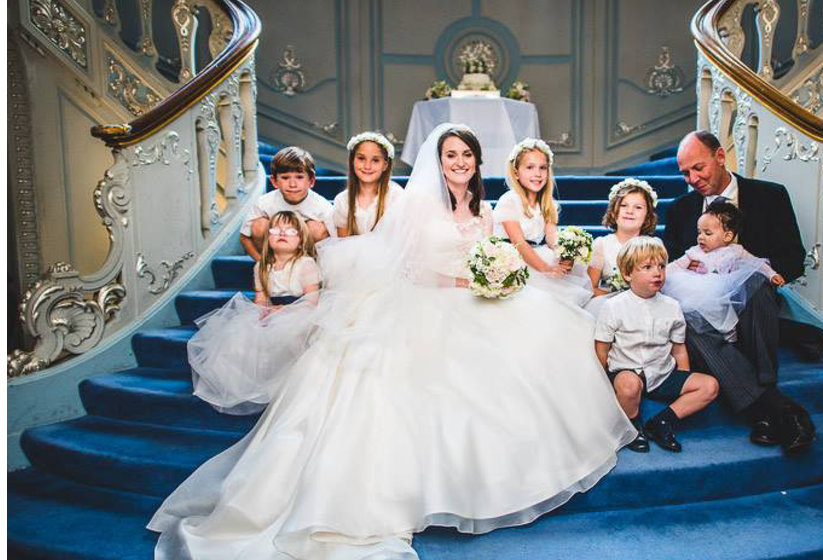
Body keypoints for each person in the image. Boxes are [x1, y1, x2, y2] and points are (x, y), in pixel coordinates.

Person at [149, 123, 635, 559]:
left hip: (476, 295)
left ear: (476, 162)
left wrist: (498, 276)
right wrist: (468, 283)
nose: (459, 164)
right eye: (450, 156)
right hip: (430, 300)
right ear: (438, 162)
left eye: (467, 156)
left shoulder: (485, 208)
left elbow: (490, 253)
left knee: (544, 338)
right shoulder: (419, 204)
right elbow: (417, 269)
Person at [664, 130, 814, 453]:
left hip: (753, 306)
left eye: (698, 168)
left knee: (755, 281)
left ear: (720, 157)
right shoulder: (679, 210)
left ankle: (763, 400)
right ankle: (775, 409)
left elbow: (793, 258)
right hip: (704, 313)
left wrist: (747, 271)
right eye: (685, 173)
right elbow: (671, 268)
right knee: (685, 321)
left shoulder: (770, 196)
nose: (692, 178)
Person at [189, 211, 321, 416]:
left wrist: (284, 310)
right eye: (276, 230)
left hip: (299, 310)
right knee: (239, 335)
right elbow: (261, 298)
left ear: (301, 238)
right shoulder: (261, 267)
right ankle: (251, 386)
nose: (282, 234)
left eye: (290, 230)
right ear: (268, 237)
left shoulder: (305, 264)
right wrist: (262, 312)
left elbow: (312, 300)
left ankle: (294, 383)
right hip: (275, 311)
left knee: (286, 333)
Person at [595, 237, 718, 453]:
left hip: (661, 373)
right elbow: (602, 348)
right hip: (626, 370)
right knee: (628, 385)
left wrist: (682, 377)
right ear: (627, 274)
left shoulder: (672, 306)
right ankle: (632, 426)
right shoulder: (613, 306)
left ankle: (661, 421)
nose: (657, 272)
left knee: (709, 386)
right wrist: (601, 382)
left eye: (661, 266)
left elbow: (678, 348)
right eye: (648, 267)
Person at [664, 201, 784, 341]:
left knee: (726, 314)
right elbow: (676, 266)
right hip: (700, 292)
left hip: (724, 293)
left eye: (707, 233)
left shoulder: (735, 251)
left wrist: (772, 274)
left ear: (727, 236)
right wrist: (661, 274)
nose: (701, 237)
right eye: (699, 232)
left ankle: (729, 336)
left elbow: (756, 263)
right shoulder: (695, 252)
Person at [493, 138, 592, 306]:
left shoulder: (547, 204)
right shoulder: (509, 200)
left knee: (571, 274)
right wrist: (547, 269)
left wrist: (566, 253)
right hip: (516, 260)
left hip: (538, 252)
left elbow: (552, 238)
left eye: (542, 168)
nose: (537, 174)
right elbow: (520, 243)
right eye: (530, 167)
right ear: (516, 172)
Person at [240, 146, 334, 260]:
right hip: (275, 254)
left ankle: (307, 265)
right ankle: (271, 263)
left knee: (317, 229)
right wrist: (260, 261)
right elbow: (244, 237)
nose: (292, 184)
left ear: (311, 181)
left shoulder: (322, 206)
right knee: (258, 225)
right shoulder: (264, 202)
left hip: (307, 257)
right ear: (274, 181)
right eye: (285, 178)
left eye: (299, 177)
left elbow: (338, 241)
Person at [584, 178, 659, 316]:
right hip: (609, 304)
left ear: (647, 215)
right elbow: (591, 287)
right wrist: (618, 296)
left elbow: (658, 283)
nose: (630, 211)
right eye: (624, 205)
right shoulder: (602, 244)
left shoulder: (653, 245)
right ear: (613, 211)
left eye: (638, 207)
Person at [333, 132, 404, 237]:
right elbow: (343, 243)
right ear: (352, 161)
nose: (367, 166)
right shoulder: (342, 200)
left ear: (385, 165)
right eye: (361, 158)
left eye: (375, 160)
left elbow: (400, 238)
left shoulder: (396, 196)